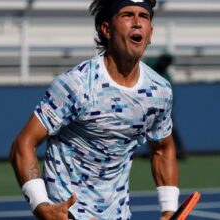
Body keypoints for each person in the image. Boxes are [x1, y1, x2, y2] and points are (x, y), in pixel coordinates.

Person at [9, 0, 179, 219]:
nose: (137, 23)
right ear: (106, 29)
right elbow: (23, 144)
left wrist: (169, 208)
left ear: (150, 32)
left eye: (144, 17)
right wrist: (41, 205)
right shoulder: (76, 85)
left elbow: (163, 148)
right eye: (127, 15)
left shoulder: (159, 91)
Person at [150, 53, 187, 160]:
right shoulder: (150, 68)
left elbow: (171, 96)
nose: (165, 64)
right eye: (164, 61)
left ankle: (180, 150)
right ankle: (154, 152)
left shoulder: (166, 77)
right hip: (149, 107)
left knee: (171, 130)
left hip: (163, 109)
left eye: (167, 63)